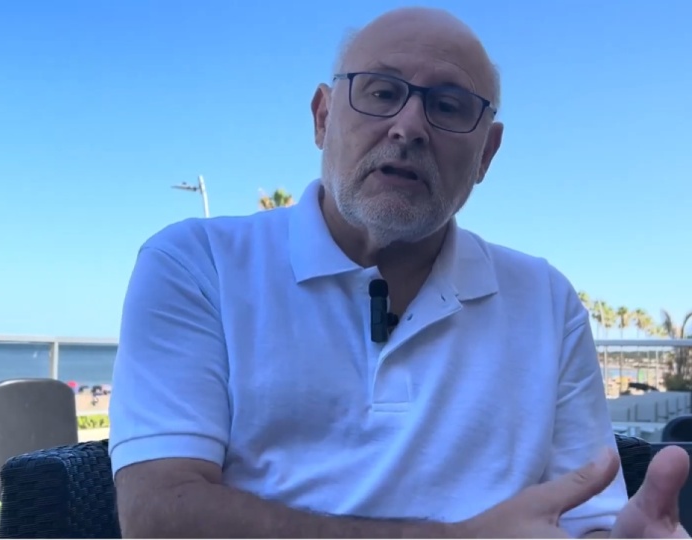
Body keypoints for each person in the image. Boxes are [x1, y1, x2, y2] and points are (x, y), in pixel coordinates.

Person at [108, 6, 690, 538]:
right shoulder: (197, 264)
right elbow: (159, 514)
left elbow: (585, 518)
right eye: (382, 92)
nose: (408, 126)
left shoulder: (545, 301)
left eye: (447, 106)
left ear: (486, 153)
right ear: (322, 117)